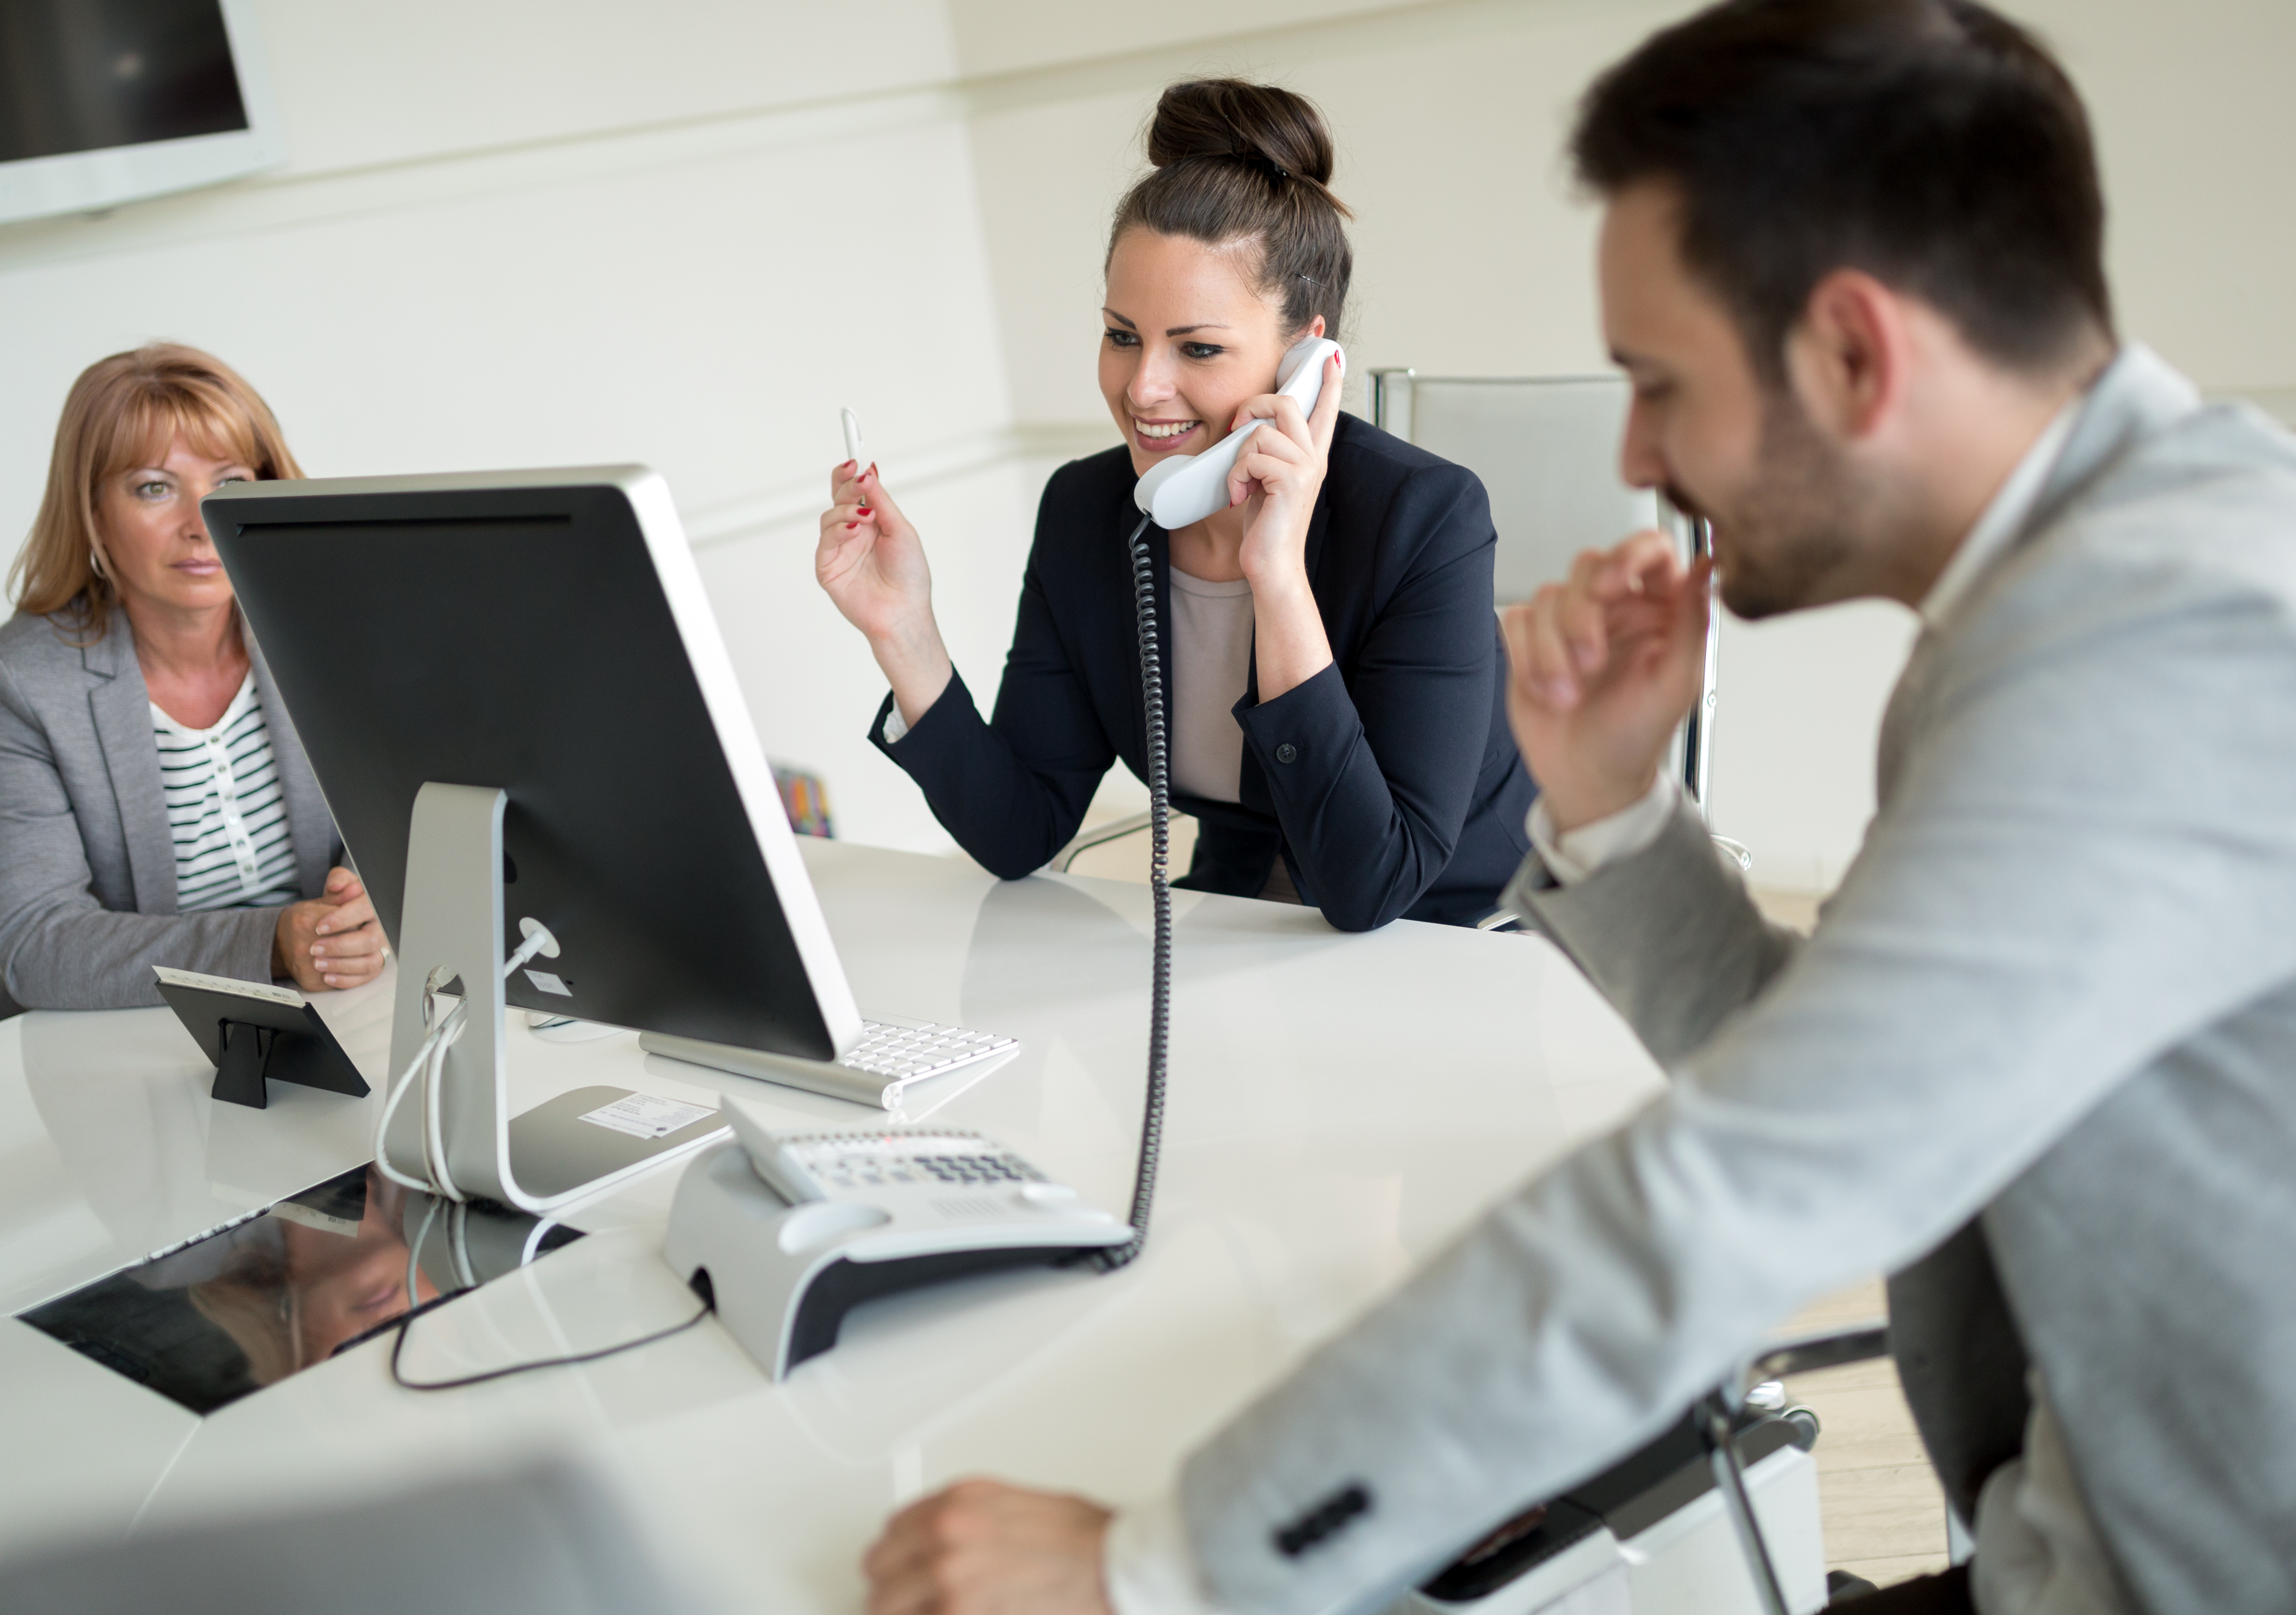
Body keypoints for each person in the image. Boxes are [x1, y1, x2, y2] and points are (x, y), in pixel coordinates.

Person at [860, 3, 2296, 1613]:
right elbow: (1839, 1072)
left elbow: (1732, 1186)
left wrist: (1160, 1559)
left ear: (1851, 351)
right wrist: (1614, 809)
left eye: (1655, 384)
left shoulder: (2151, 662)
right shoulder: (2077, 589)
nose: (1632, 453)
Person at [816, 80, 1535, 931]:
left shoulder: (1425, 519)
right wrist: (905, 635)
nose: (1142, 387)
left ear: (1305, 360)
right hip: (1233, 932)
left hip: (1455, 938)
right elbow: (1023, 830)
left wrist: (1275, 575)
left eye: (1197, 347)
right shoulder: (1088, 510)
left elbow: (1372, 886)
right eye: (1122, 335)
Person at [0, 344, 383, 1030]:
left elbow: (418, 826)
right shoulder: (22, 680)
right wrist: (270, 944)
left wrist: (376, 906)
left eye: (231, 481)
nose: (201, 520)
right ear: (93, 513)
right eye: (154, 486)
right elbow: (39, 943)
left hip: (336, 1015)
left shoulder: (336, 630)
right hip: (111, 1039)